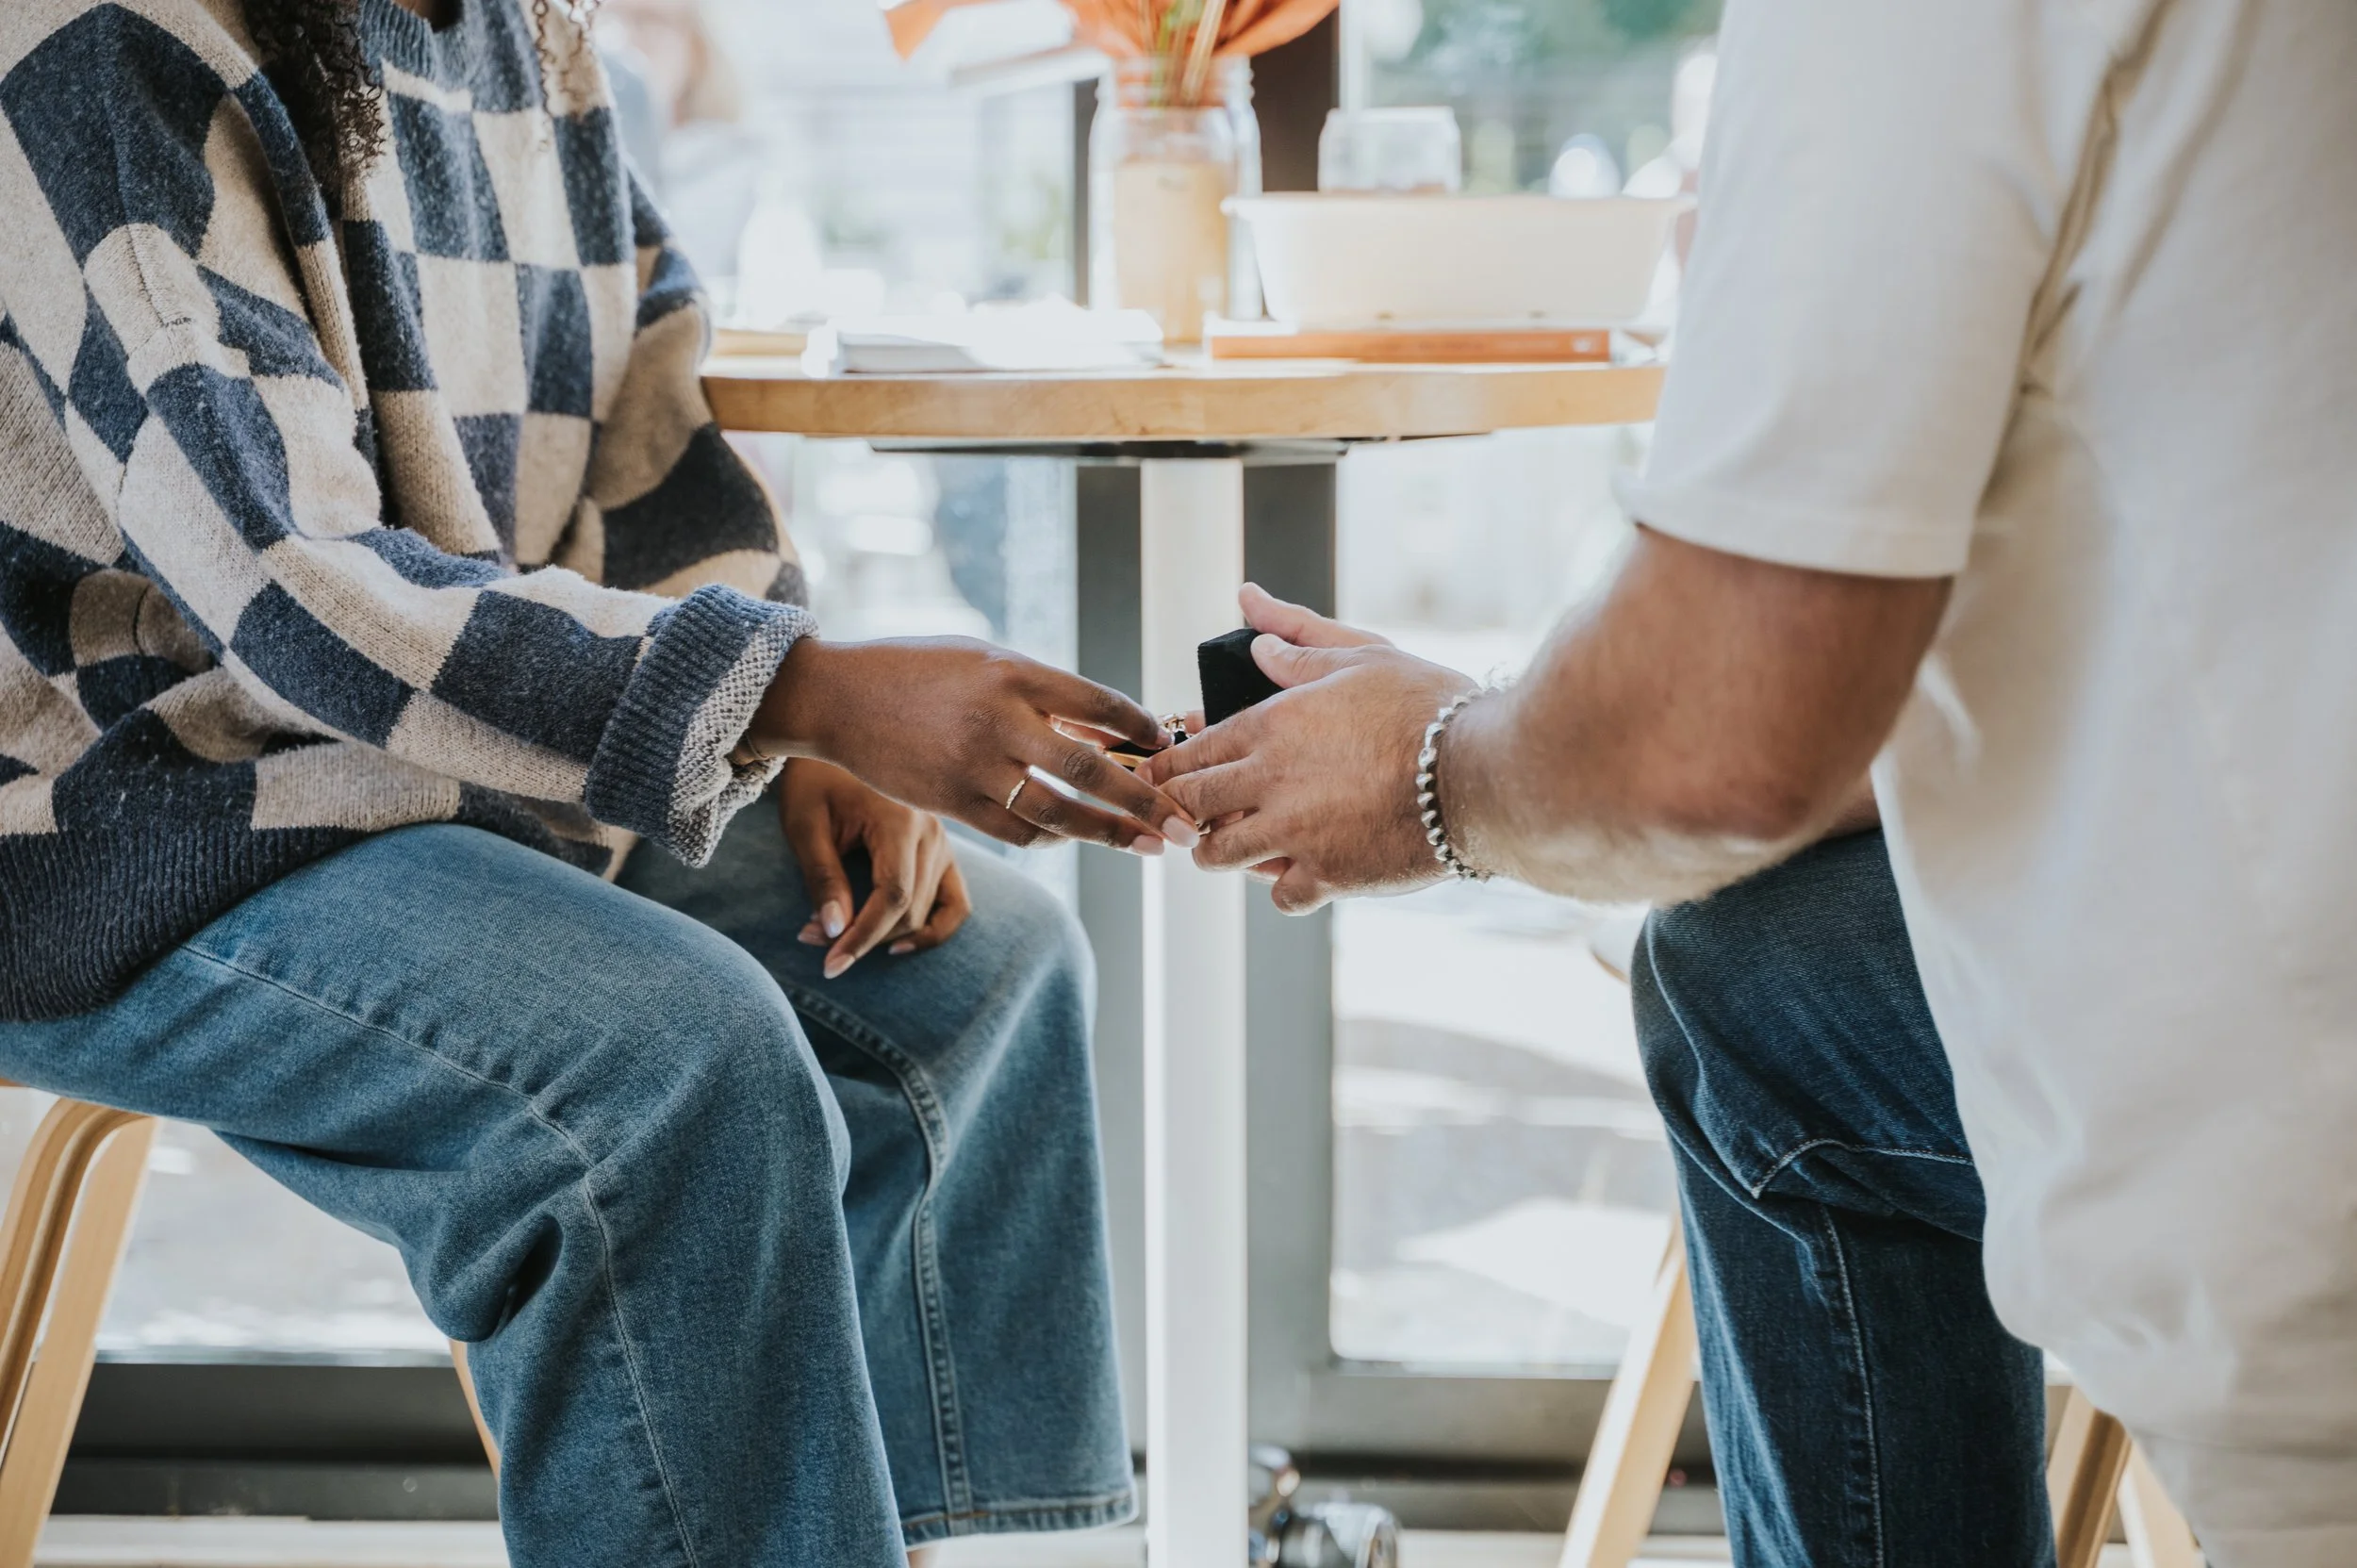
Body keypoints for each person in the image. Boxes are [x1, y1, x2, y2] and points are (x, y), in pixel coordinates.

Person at [1140, 1, 2357, 1562]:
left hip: (2303, 1136)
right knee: (1773, 954)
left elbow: (1726, 729)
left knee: (1752, 988)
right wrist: (1472, 720)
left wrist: (1434, 773)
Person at [0, 0, 1200, 1563]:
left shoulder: (518, 33)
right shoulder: (107, 47)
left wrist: (801, 722)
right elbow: (298, 586)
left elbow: (651, 425)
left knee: (977, 971)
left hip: (428, 776)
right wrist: (802, 689)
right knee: (672, 1063)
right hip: (127, 815)